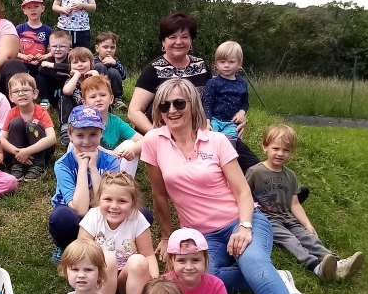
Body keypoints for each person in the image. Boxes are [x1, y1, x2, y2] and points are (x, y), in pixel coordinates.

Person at [141, 78, 313, 294]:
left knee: (255, 265)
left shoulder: (217, 141)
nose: (171, 110)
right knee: (201, 277)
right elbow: (159, 195)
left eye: (179, 103)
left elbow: (243, 191)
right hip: (201, 237)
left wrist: (244, 227)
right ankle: (278, 278)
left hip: (241, 220)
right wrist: (166, 237)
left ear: (192, 105)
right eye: (164, 105)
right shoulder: (154, 141)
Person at [127, 11, 260, 175]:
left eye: (184, 37)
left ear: (191, 41)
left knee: (245, 159)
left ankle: (264, 182)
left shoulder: (201, 66)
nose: (178, 42)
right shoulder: (153, 70)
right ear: (163, 41)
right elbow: (134, 111)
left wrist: (240, 115)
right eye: (172, 37)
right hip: (169, 132)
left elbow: (215, 99)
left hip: (201, 130)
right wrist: (158, 136)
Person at [246, 124, 364, 282]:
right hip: (268, 220)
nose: (280, 153)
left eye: (286, 150)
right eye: (276, 148)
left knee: (309, 238)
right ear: (265, 147)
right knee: (291, 240)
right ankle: (317, 267)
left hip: (288, 217)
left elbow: (294, 204)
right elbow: (243, 195)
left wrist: (307, 224)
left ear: (292, 152)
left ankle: (336, 263)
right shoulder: (255, 172)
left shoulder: (290, 175)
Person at [78, 171, 158, 294]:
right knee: (107, 258)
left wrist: (155, 282)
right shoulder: (93, 216)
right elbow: (81, 253)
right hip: (98, 280)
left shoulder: (137, 218)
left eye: (122, 201)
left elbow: (148, 254)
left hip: (127, 283)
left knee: (139, 261)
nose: (114, 206)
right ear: (99, 199)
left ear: (132, 203)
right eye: (108, 199)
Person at [49, 106, 121, 261]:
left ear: (101, 133)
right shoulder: (62, 165)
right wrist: (82, 168)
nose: (87, 141)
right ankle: (66, 246)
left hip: (103, 213)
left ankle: (110, 245)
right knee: (60, 217)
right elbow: (80, 209)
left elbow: (105, 202)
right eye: (80, 135)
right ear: (70, 134)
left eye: (93, 134)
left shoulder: (111, 162)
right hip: (73, 215)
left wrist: (93, 169)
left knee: (141, 214)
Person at [82, 73, 142, 177]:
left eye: (102, 95)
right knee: (74, 145)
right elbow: (80, 144)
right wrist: (106, 152)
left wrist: (133, 150)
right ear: (84, 103)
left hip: (107, 165)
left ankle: (124, 183)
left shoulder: (116, 122)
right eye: (92, 96)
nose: (98, 99)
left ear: (111, 99)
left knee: (130, 144)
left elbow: (144, 140)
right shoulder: (81, 120)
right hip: (85, 167)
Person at [0, 72, 56, 182]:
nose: (21, 94)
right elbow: (1, 139)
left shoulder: (41, 112)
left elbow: (52, 138)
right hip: (18, 150)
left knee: (32, 124)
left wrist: (28, 151)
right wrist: (18, 153)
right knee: (16, 122)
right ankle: (17, 163)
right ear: (11, 97)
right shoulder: (12, 113)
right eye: (16, 91)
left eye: (25, 90)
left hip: (41, 150)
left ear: (35, 94)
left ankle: (37, 164)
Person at [201, 41, 250, 143]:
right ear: (216, 64)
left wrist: (242, 112)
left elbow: (245, 103)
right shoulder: (212, 83)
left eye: (231, 62)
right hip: (214, 120)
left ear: (239, 64)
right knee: (211, 142)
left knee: (229, 143)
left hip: (232, 122)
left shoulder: (242, 84)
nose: (226, 65)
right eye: (222, 62)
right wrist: (207, 121)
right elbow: (207, 103)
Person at [16, 0, 53, 99]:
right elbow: (12, 50)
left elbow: (53, 51)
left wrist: (45, 56)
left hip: (40, 64)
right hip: (23, 63)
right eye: (29, 7)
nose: (33, 10)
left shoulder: (48, 30)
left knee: (44, 74)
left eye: (36, 6)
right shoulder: (19, 29)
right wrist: (23, 56)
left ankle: (45, 99)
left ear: (42, 8)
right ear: (24, 11)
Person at [59, 46, 96, 142]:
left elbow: (101, 89)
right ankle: (65, 127)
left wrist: (96, 75)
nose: (80, 65)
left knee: (100, 97)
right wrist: (76, 75)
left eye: (83, 61)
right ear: (70, 66)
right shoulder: (71, 80)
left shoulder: (93, 78)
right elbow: (67, 91)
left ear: (91, 63)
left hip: (92, 111)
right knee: (64, 98)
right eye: (75, 62)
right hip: (75, 112)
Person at [36, 29, 73, 109]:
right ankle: (45, 100)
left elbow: (69, 67)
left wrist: (53, 66)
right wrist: (58, 75)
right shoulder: (49, 59)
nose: (57, 49)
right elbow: (41, 69)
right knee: (40, 77)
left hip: (65, 93)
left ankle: (63, 103)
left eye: (62, 46)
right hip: (51, 91)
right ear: (49, 49)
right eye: (54, 46)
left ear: (69, 50)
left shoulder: (71, 60)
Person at [93, 31, 127, 105]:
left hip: (113, 91)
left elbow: (124, 76)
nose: (109, 50)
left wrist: (115, 64)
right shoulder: (93, 61)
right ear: (97, 48)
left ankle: (116, 99)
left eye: (112, 47)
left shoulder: (115, 61)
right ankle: (101, 96)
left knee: (113, 71)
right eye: (105, 47)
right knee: (100, 66)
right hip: (96, 90)